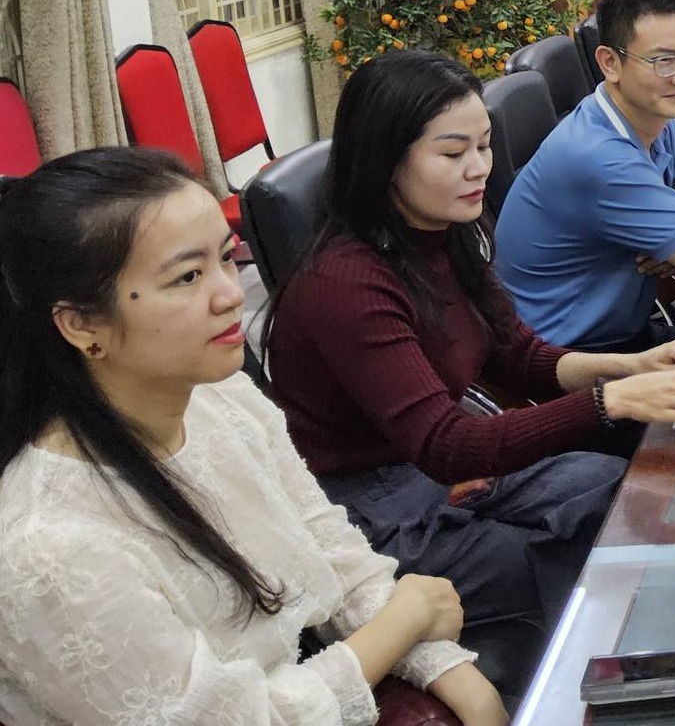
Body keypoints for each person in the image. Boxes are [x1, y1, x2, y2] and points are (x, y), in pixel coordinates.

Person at [0, 147, 505, 725]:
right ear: (82, 324)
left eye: (224, 258)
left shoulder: (223, 400)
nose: (232, 294)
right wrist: (403, 621)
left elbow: (330, 548)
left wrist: (453, 674)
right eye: (187, 277)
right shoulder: (50, 548)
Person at [268, 51, 675, 649]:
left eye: (485, 147)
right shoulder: (348, 284)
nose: (479, 169)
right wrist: (611, 400)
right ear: (385, 159)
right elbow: (446, 445)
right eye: (452, 153)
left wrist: (636, 366)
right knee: (567, 552)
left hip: (434, 473)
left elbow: (519, 357)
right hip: (371, 515)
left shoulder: (448, 234)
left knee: (630, 489)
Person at [496, 0, 675, 352]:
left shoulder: (654, 119)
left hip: (623, 330)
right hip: (575, 358)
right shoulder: (600, 158)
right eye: (664, 61)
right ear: (610, 63)